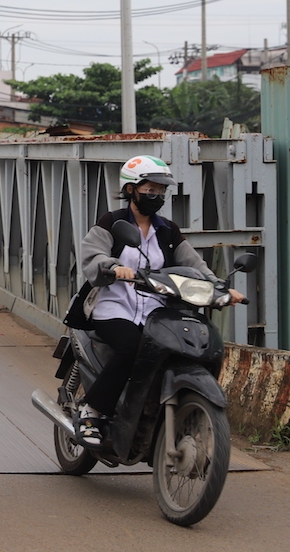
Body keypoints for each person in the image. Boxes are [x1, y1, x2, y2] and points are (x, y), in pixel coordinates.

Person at [75, 154, 244, 448]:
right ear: (131, 189)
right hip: (114, 305)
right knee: (131, 348)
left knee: (174, 348)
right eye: (150, 190)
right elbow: (93, 255)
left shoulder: (168, 230)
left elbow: (194, 264)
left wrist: (219, 287)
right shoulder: (112, 223)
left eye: (161, 191)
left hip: (156, 310)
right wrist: (112, 267)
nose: (156, 196)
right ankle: (93, 411)